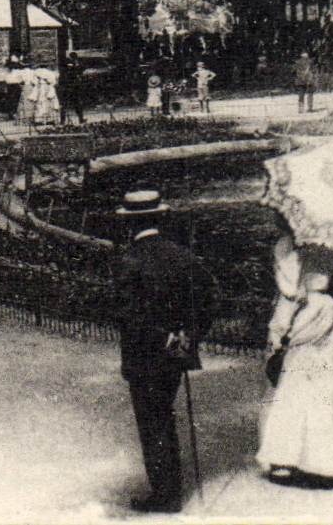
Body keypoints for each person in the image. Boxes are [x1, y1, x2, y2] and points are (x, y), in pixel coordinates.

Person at [115, 190, 218, 514]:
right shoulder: (182, 256)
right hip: (176, 356)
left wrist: (164, 338)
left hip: (145, 356)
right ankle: (169, 488)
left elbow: (129, 315)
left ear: (130, 224)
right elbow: (211, 298)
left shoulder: (129, 260)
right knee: (164, 416)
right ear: (159, 218)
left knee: (153, 422)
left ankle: (165, 494)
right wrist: (189, 335)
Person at [255, 251, 333, 483]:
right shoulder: (330, 246)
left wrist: (278, 333)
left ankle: (287, 458)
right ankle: (332, 463)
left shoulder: (290, 249)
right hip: (327, 312)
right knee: (327, 386)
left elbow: (289, 292)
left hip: (305, 311)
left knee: (295, 388)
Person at [58, 52, 86, 126]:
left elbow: (61, 79)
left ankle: (62, 121)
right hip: (73, 88)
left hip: (66, 88)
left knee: (64, 105)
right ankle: (81, 119)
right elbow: (80, 71)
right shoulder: (75, 68)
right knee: (77, 103)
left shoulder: (65, 68)